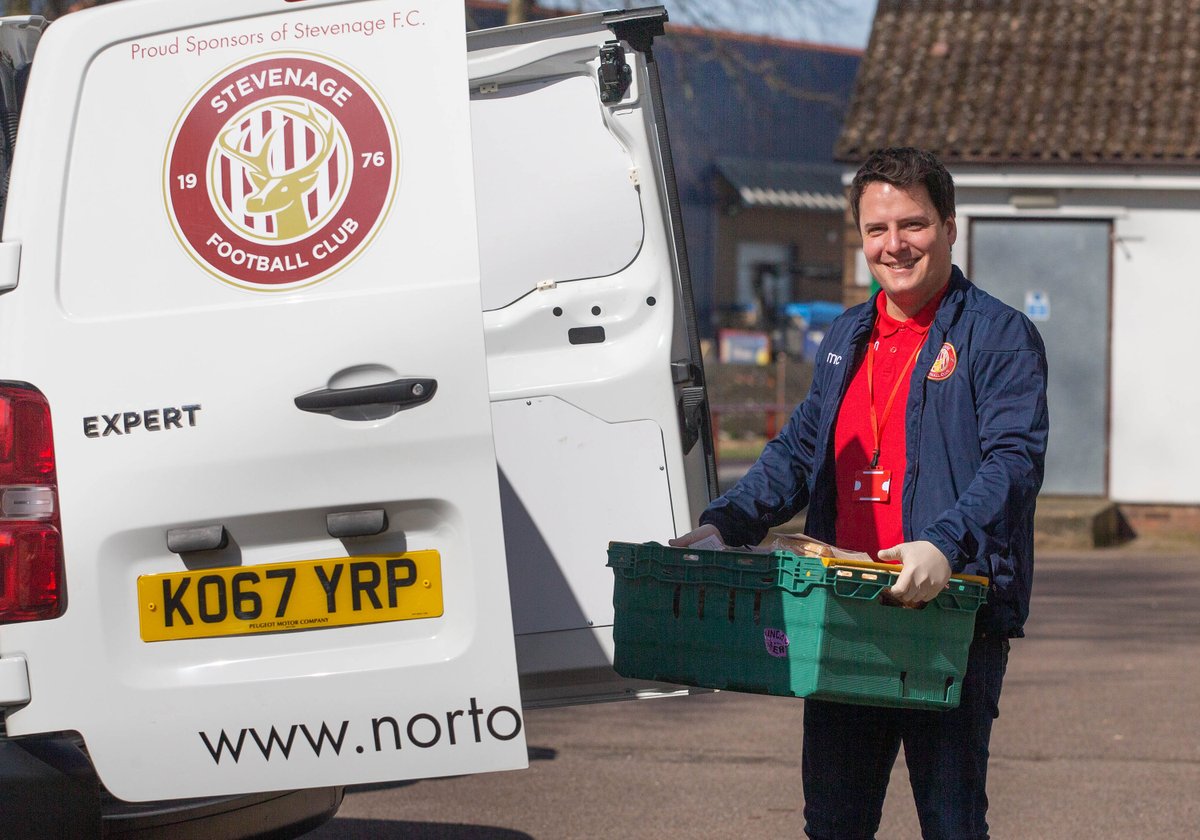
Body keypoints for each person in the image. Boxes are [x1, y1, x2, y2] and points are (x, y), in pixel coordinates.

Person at [672, 147, 1048, 840]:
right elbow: (799, 450)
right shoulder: (847, 334)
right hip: (842, 610)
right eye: (877, 229)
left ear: (950, 227)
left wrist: (945, 544)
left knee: (952, 825)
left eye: (914, 224)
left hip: (946, 614)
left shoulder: (998, 336)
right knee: (834, 825)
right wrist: (729, 522)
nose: (894, 244)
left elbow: (1014, 463)